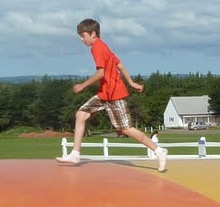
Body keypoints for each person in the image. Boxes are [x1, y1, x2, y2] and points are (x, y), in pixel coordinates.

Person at [55, 19, 168, 171]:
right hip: (104, 94)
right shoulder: (103, 46)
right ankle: (75, 154)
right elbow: (119, 64)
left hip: (114, 95)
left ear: (93, 34)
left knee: (126, 129)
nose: (81, 39)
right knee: (81, 115)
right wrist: (131, 82)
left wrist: (82, 85)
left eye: (83, 36)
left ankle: (159, 151)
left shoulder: (97, 48)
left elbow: (101, 73)